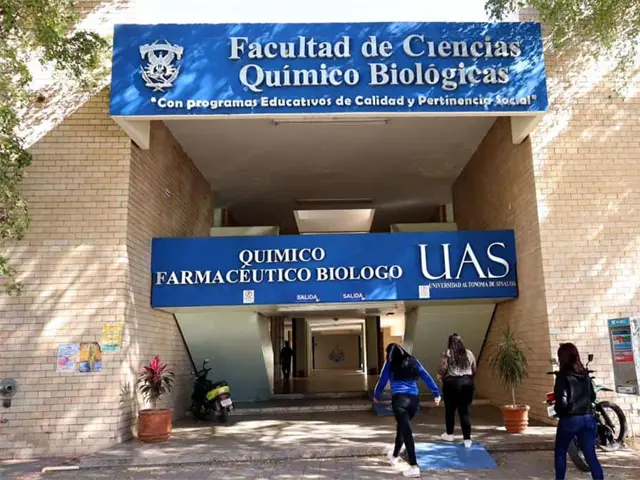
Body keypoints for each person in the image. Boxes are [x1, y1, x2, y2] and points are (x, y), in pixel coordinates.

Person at [374, 343, 441, 478]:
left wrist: (377, 395)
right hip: (414, 401)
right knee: (402, 428)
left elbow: (383, 380)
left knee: (406, 431)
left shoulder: (390, 364)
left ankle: (414, 466)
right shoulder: (413, 361)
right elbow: (426, 376)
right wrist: (436, 393)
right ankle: (394, 456)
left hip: (399, 401)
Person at [553, 343, 604, 480]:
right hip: (588, 418)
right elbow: (592, 397)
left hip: (570, 419)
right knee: (591, 455)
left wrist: (558, 411)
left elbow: (562, 402)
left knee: (560, 451)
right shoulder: (585, 375)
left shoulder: (562, 376)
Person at [436, 333, 476, 447]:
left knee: (450, 410)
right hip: (467, 383)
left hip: (451, 384)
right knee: (465, 412)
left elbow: (442, 369)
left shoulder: (448, 353)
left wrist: (439, 377)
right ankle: (467, 440)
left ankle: (449, 434)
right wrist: (468, 379)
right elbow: (474, 369)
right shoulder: (469, 353)